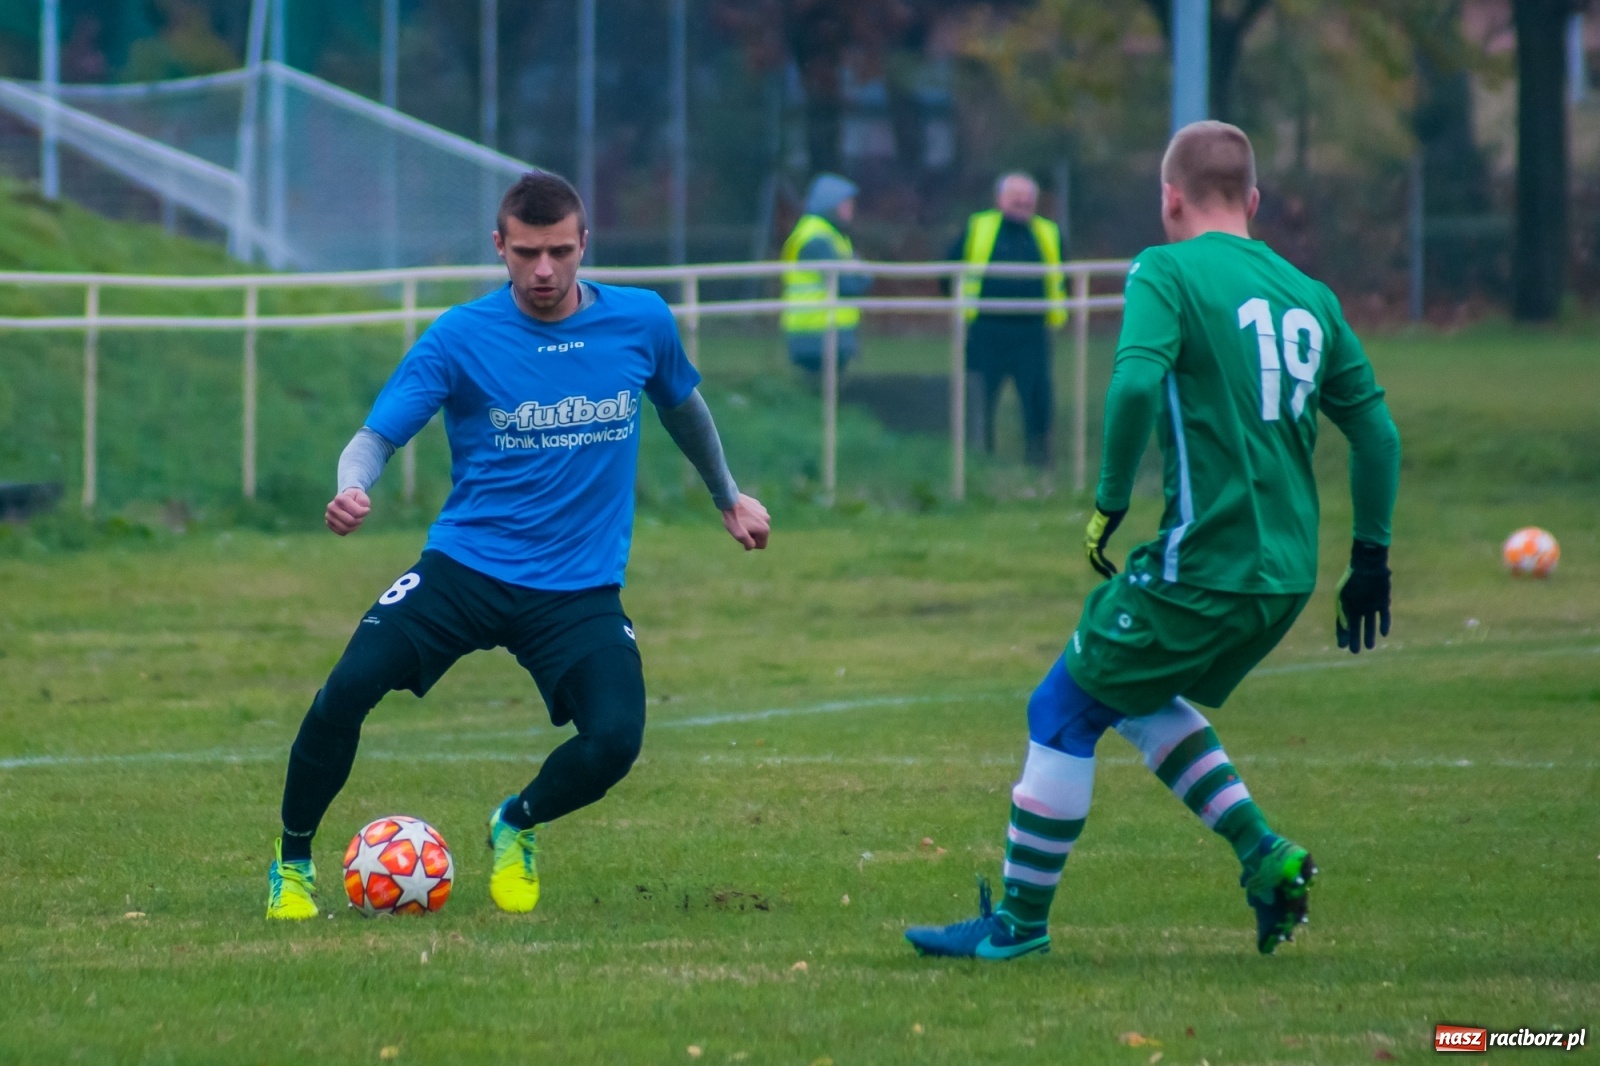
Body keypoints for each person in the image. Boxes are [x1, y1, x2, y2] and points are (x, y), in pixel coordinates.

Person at [905, 121, 1400, 959]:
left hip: (1208, 560)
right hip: (1287, 574)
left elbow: (1134, 379)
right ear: (1252, 200)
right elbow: (1377, 434)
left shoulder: (1164, 269)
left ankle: (1018, 928)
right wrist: (1372, 562)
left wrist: (1105, 503)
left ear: (1169, 198)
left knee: (1058, 708)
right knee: (1125, 693)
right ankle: (1264, 853)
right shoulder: (1311, 294)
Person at [265, 171, 771, 920]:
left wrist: (727, 495)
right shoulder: (460, 336)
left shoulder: (641, 321)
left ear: (583, 245)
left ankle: (518, 823)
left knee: (616, 740)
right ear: (499, 247)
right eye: (527, 252)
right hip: (464, 571)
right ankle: (293, 864)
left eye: (560, 252)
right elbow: (377, 435)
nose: (544, 271)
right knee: (344, 692)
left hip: (576, 590)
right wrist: (352, 486)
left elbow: (683, 406)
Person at [947, 173, 1066, 468]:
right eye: (1016, 196)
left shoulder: (1047, 232)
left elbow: (1065, 276)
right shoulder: (979, 227)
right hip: (988, 331)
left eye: (1028, 197)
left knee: (1038, 401)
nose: (1023, 202)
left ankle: (1039, 464)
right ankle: (977, 461)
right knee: (979, 399)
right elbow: (949, 268)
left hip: (1032, 333)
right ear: (1000, 199)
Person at [781, 173, 871, 372]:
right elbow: (848, 285)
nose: (850, 210)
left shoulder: (826, 235)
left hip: (823, 333)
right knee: (824, 397)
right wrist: (862, 277)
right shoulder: (818, 239)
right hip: (817, 334)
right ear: (831, 205)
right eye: (846, 204)